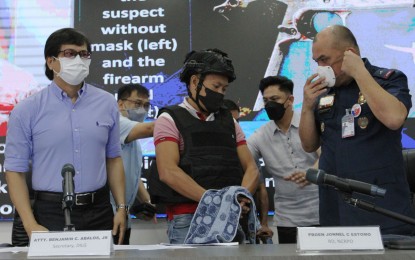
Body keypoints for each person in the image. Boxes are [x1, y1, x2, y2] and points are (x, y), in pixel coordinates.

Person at [4, 28, 127, 244]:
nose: (79, 60)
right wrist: (29, 223)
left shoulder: (107, 102)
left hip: (99, 210)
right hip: (50, 212)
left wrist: (121, 207)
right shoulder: (27, 109)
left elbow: (113, 158)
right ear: (51, 62)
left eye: (84, 54)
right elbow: (15, 171)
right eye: (70, 54)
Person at [299, 25, 415, 235]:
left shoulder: (388, 79)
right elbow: (309, 145)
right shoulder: (326, 92)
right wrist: (307, 106)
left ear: (350, 54)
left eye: (325, 60)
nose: (320, 67)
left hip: (380, 210)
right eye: (317, 62)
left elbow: (394, 118)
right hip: (334, 211)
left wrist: (360, 72)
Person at [149, 48, 259, 244]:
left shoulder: (230, 121)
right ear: (194, 82)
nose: (220, 93)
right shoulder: (169, 119)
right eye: (216, 86)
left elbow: (251, 168)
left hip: (232, 219)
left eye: (224, 89)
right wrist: (217, 203)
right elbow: (168, 171)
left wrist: (239, 198)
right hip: (187, 220)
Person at [247, 75, 320, 244]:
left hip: (321, 211)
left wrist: (311, 173)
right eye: (265, 100)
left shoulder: (309, 122)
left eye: (275, 99)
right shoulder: (259, 136)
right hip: (287, 217)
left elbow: (326, 155)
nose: (269, 105)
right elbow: (247, 165)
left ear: (290, 100)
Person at [223, 98, 273, 243]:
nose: (235, 126)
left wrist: (263, 224)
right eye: (231, 121)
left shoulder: (246, 150)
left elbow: (261, 189)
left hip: (248, 222)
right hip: (220, 222)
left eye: (237, 121)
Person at [112, 84, 155, 244]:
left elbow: (133, 175)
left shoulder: (134, 139)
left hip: (124, 214)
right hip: (108, 213)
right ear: (121, 104)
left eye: (146, 105)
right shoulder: (117, 122)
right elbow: (151, 128)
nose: (142, 109)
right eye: (137, 104)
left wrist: (147, 202)